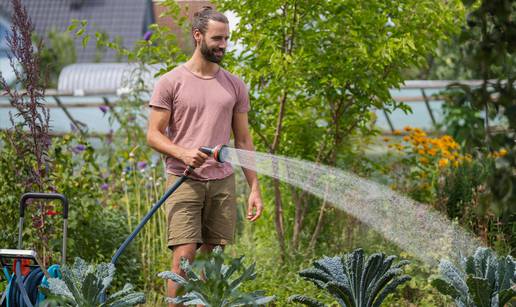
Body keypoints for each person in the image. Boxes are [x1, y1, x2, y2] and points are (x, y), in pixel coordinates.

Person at [146, 6, 263, 306]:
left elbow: (244, 139)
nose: (223, 45)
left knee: (211, 262)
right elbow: (153, 134)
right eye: (217, 38)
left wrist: (254, 187)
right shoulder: (171, 82)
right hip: (184, 180)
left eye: (226, 38)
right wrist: (183, 152)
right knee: (184, 258)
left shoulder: (235, 85)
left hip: (222, 181)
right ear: (198, 36)